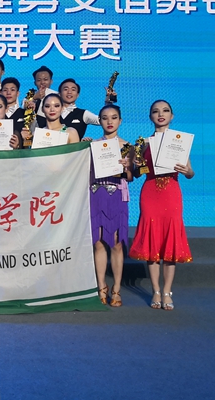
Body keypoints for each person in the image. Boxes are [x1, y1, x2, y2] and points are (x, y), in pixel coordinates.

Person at [129, 100, 194, 311]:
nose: (160, 114)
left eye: (165, 111)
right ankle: (156, 290)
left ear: (172, 116)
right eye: (155, 111)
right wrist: (137, 166)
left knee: (169, 242)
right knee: (152, 242)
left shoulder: (179, 141)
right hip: (150, 193)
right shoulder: (143, 143)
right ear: (150, 116)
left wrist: (187, 171)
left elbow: (190, 173)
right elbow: (138, 174)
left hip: (171, 193)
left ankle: (167, 291)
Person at [86, 105, 133, 307]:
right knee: (98, 242)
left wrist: (126, 168)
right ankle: (101, 287)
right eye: (105, 118)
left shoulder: (128, 146)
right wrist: (83, 148)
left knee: (116, 243)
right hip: (96, 195)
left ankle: (117, 289)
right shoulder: (92, 145)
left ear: (120, 121)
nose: (109, 121)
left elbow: (130, 177)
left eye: (114, 117)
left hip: (117, 195)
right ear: (100, 121)